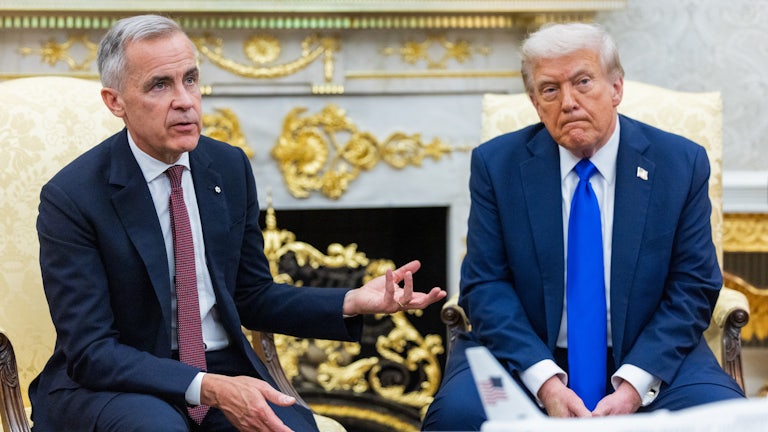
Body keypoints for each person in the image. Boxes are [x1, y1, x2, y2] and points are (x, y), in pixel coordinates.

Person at [29, 14, 445, 432]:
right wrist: (207, 387)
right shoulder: (73, 197)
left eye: (190, 79)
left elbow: (252, 294)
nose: (185, 100)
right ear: (115, 102)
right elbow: (92, 351)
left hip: (220, 366)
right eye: (160, 85)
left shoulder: (227, 167)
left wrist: (352, 300)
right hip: (115, 382)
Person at [422, 22, 744, 431]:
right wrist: (545, 382)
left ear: (616, 88)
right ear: (535, 103)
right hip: (526, 354)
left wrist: (634, 385)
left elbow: (693, 285)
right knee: (455, 417)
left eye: (583, 82)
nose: (568, 102)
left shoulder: (679, 163)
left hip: (649, 355)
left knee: (724, 417)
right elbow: (485, 285)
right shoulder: (497, 165)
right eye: (550, 89)